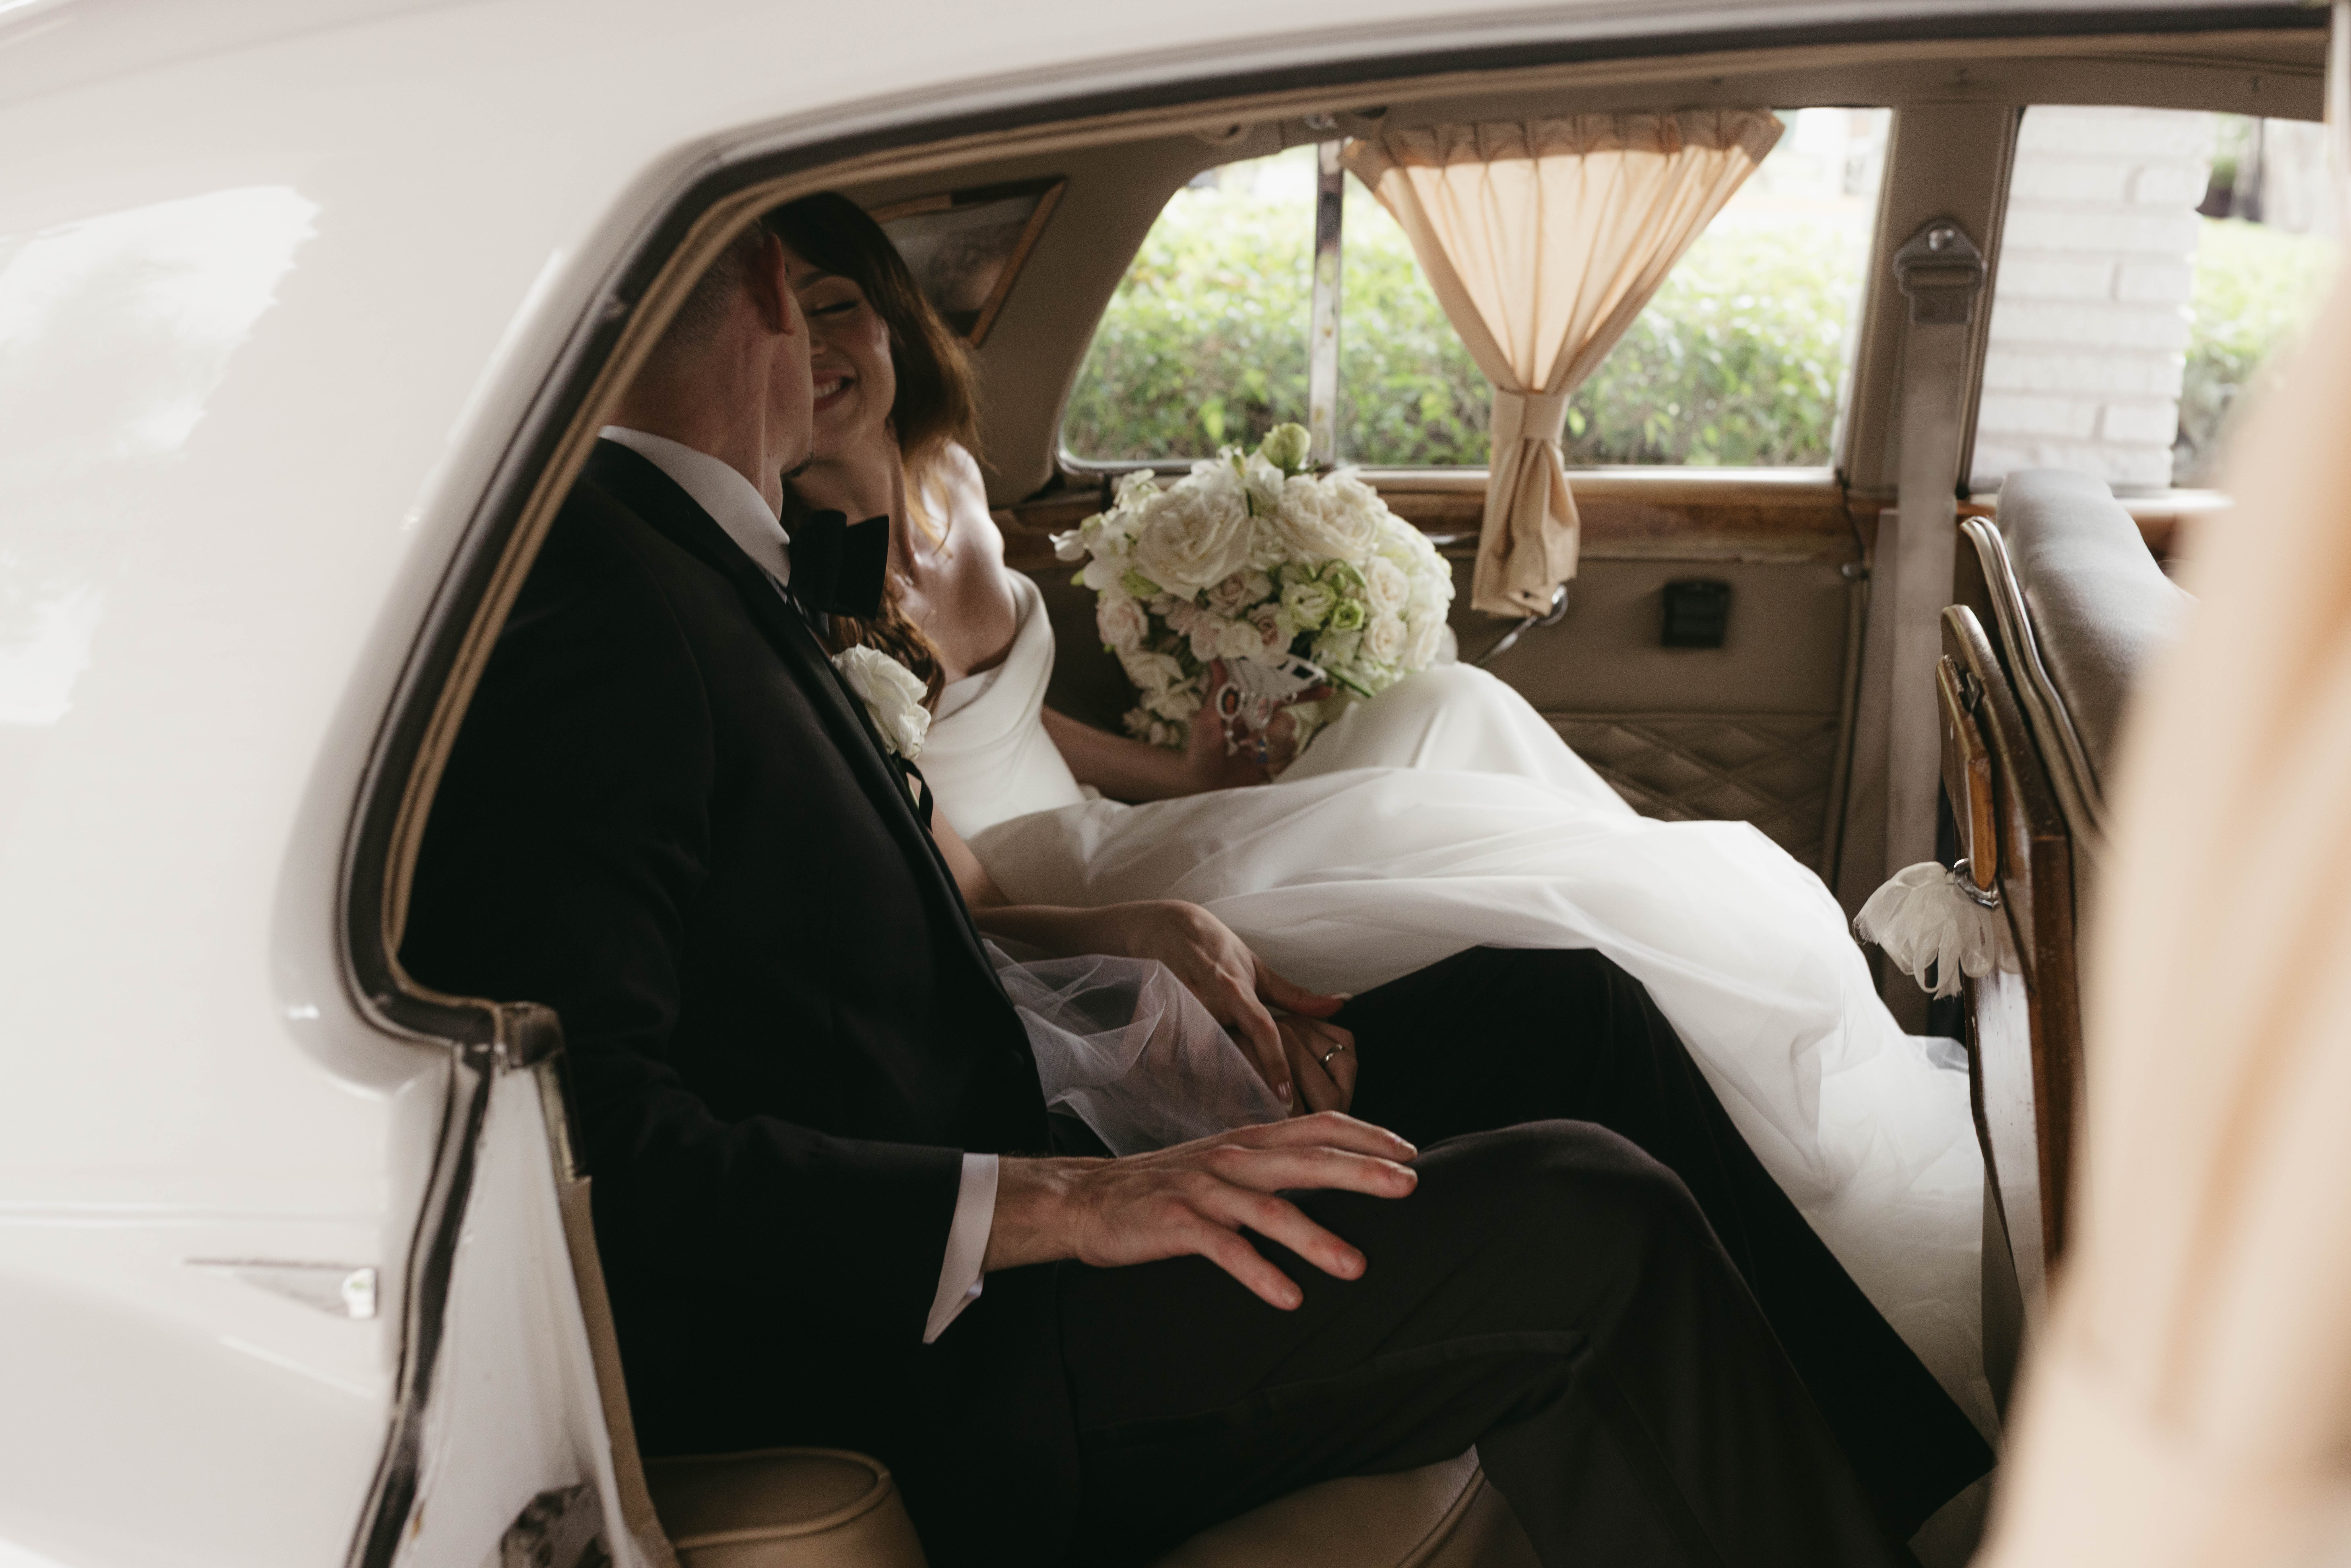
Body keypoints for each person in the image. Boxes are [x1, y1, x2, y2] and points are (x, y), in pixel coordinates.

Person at [400, 208, 1986, 1567]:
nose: (816, 327)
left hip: (1022, 1130)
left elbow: (835, 950)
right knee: (1582, 1212)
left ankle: (1943, 1497)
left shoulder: (714, 560)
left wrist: (1143, 1041)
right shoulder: (599, 607)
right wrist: (1071, 1201)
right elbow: (589, 1139)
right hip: (943, 1356)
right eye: (787, 281)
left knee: (1557, 1005)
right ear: (733, 281)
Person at [776, 189, 1994, 1428]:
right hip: (1043, 888)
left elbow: (1012, 722)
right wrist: (1131, 915)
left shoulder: (953, 479)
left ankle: (1755, 1143)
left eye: (840, 311)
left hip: (1086, 808)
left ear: (894, 321)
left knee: (1454, 708)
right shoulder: (795, 582)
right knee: (1537, 902)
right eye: (787, 328)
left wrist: (1187, 778)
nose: (820, 353)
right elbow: (950, 881)